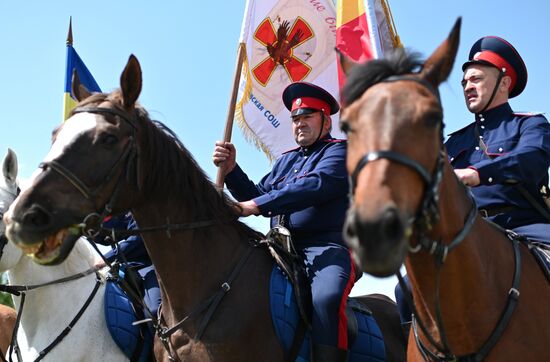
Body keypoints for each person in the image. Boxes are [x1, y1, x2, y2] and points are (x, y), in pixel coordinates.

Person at [395, 36, 550, 326]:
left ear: (504, 83)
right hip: (464, 232)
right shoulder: (453, 142)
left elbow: (532, 159)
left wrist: (477, 174)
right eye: (465, 81)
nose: (467, 86)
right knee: (404, 292)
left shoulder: (530, 124)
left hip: (522, 224)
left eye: (476, 79)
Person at [213, 82, 357, 361]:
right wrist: (232, 170)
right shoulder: (284, 162)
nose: (300, 124)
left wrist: (255, 205)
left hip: (325, 248)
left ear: (326, 121)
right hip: (278, 248)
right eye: (295, 119)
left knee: (325, 299)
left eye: (307, 117)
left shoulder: (341, 152)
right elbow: (257, 195)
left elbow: (314, 186)